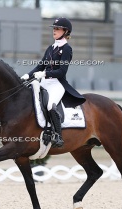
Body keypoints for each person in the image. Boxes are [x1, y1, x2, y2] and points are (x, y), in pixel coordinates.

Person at [21, 17, 85, 147]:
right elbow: (40, 66)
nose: (54, 31)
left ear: (65, 31)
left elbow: (62, 71)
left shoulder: (67, 49)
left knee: (50, 106)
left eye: (57, 29)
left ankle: (58, 135)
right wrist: (28, 75)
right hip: (44, 82)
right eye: (54, 29)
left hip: (57, 83)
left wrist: (45, 73)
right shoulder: (51, 48)